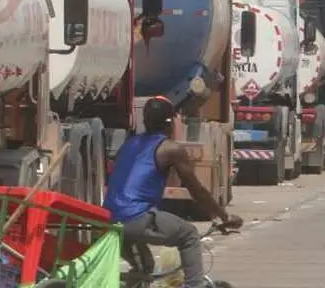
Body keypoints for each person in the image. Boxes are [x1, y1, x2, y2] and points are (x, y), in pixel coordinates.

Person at [104, 95, 243, 287]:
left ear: (145, 121)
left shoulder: (129, 144)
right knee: (189, 235)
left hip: (110, 219)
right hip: (137, 217)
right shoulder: (170, 149)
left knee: (144, 268)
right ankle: (196, 285)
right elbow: (197, 190)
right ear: (171, 123)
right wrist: (223, 216)